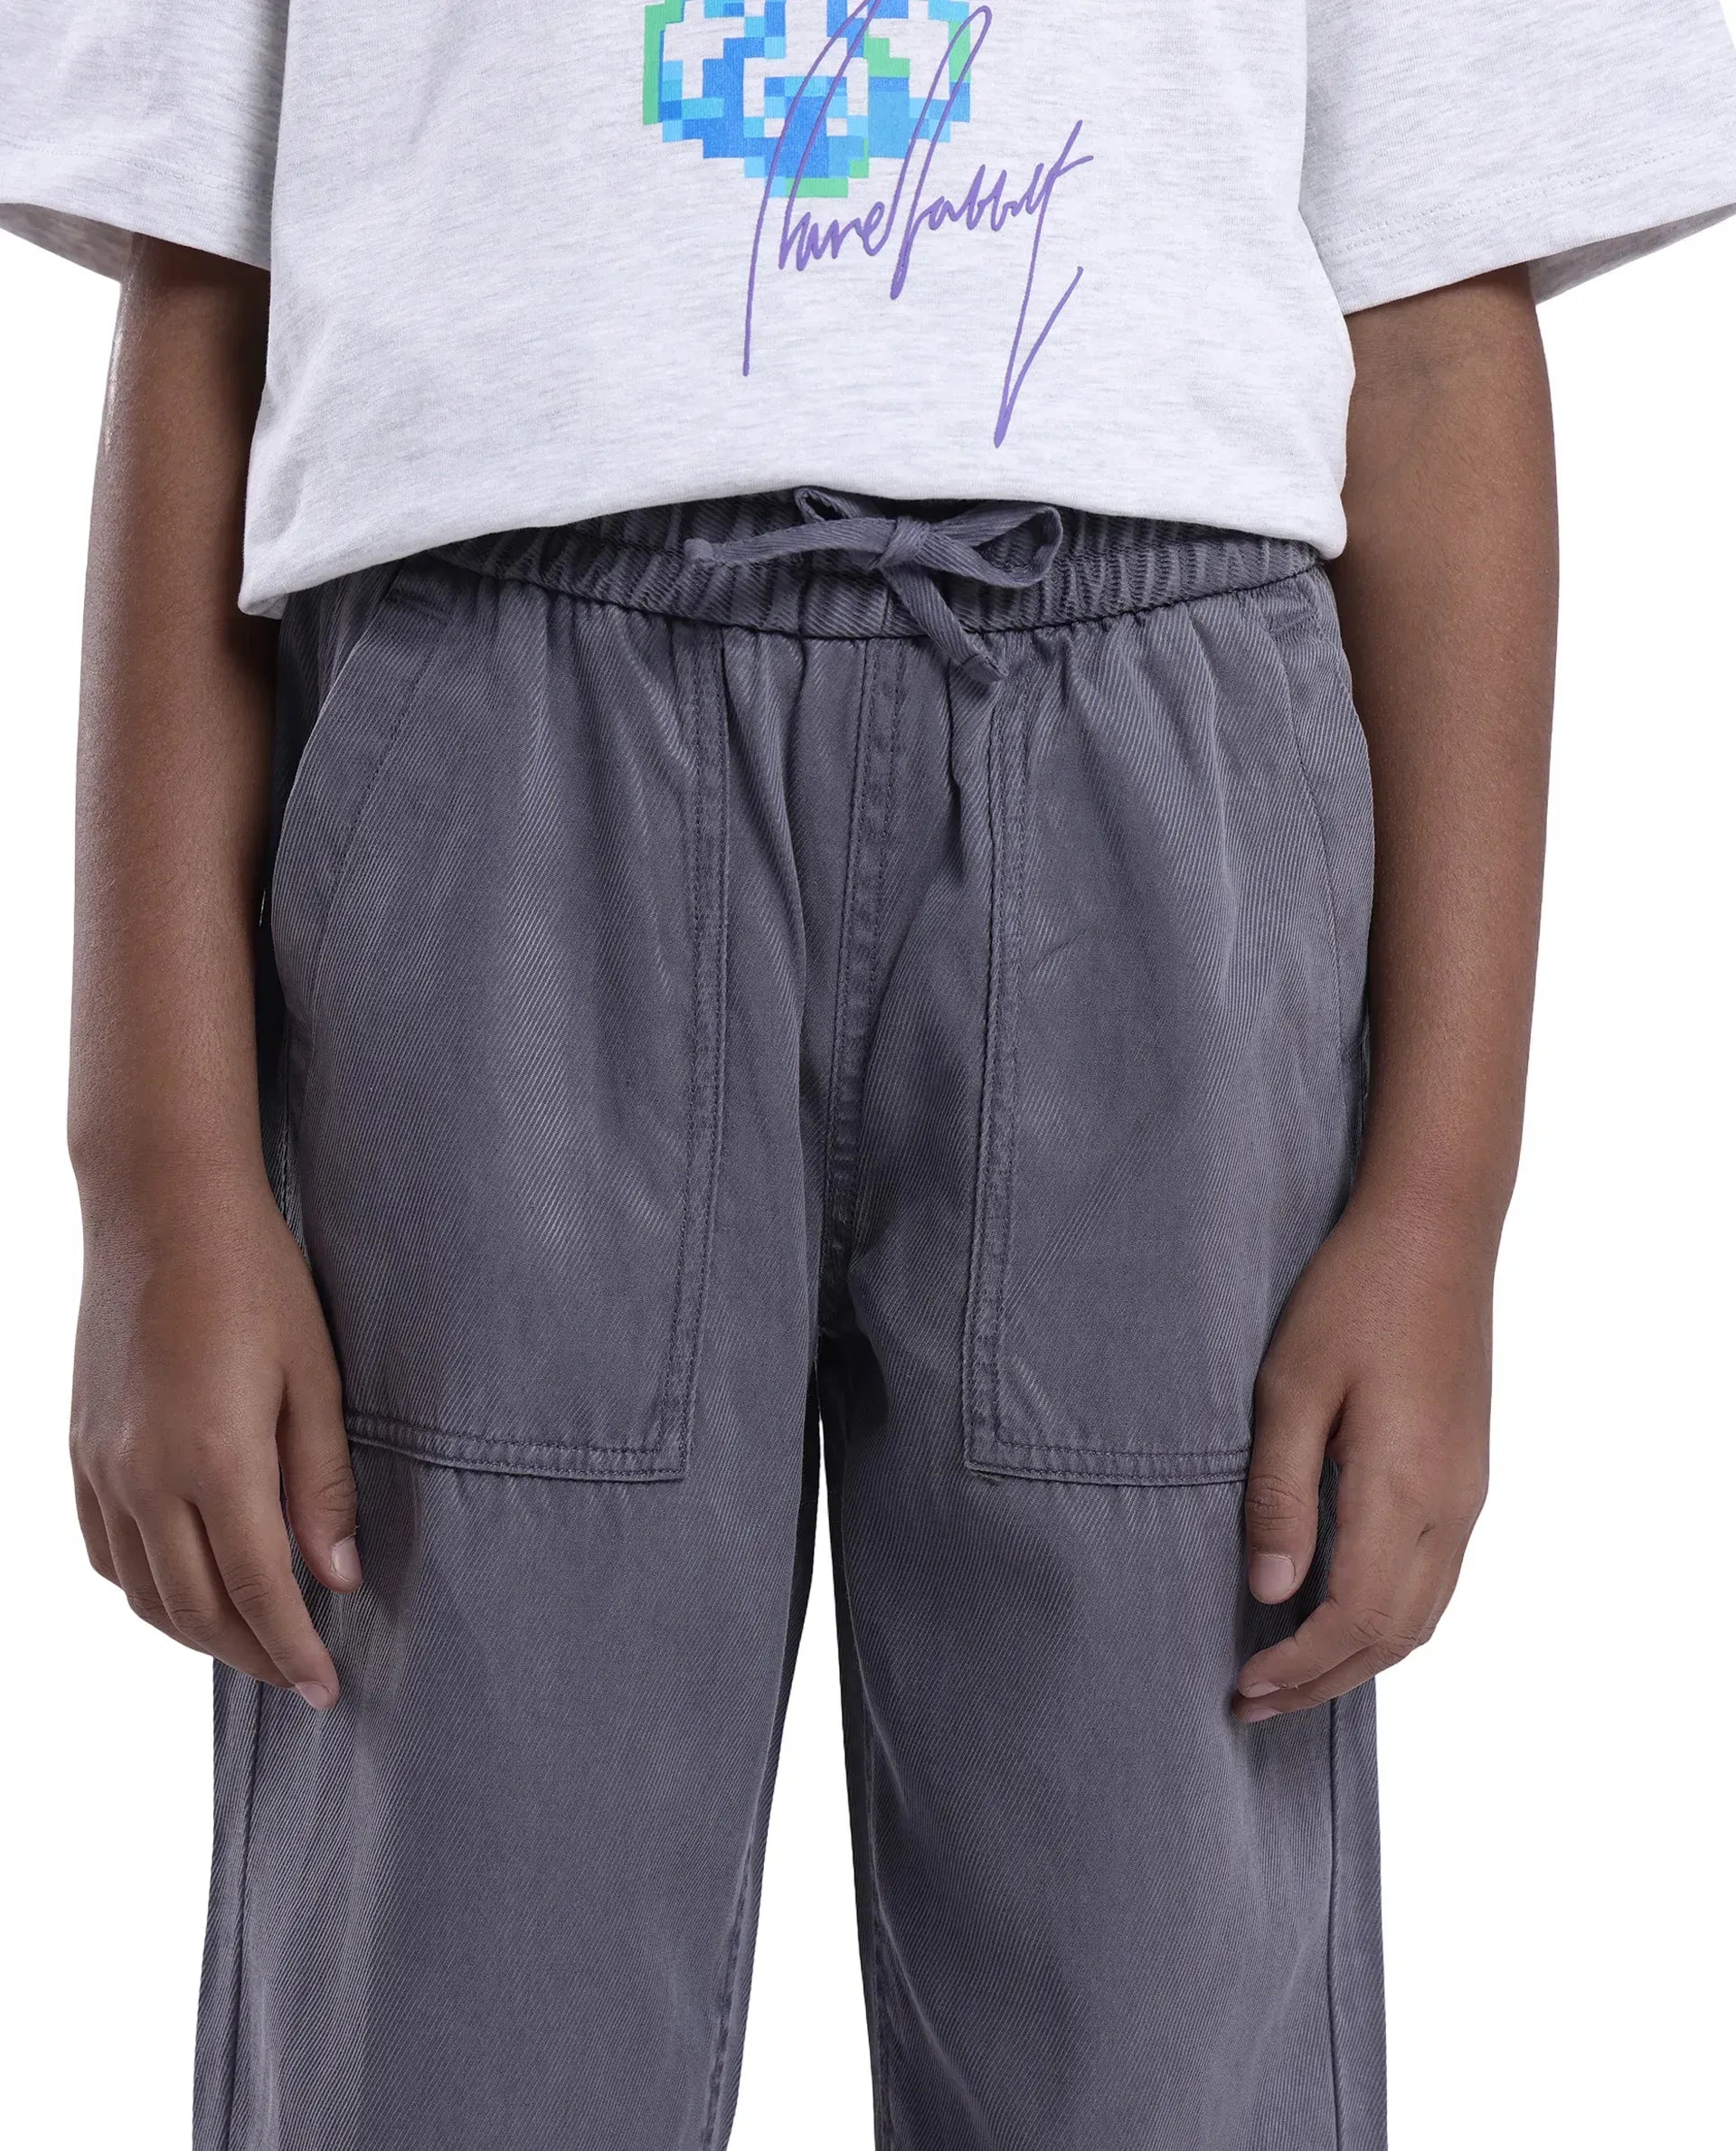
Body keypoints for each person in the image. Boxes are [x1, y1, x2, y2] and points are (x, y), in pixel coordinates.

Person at [5, 3, 1735, 2146]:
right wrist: (154, 1171)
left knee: (1154, 2020)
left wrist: (1445, 1200)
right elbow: (208, 265)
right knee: (460, 1999)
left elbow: (1442, 320)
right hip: (511, 784)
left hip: (1147, 803)